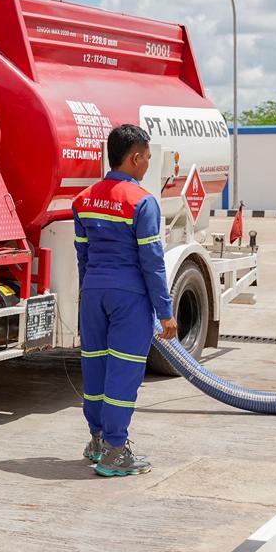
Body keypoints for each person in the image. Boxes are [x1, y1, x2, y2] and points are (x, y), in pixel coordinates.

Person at [72, 124, 178, 477]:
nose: (147, 163)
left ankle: (97, 440)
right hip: (128, 297)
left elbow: (83, 256)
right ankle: (116, 451)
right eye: (146, 157)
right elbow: (152, 262)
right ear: (134, 158)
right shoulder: (142, 202)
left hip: (94, 294)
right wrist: (165, 312)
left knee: (96, 367)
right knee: (123, 371)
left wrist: (87, 295)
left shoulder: (83, 200)